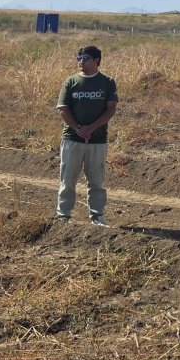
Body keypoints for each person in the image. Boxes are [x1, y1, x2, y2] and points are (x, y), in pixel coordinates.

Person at [55, 45, 119, 226]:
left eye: (85, 59)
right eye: (79, 58)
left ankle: (97, 215)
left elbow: (111, 108)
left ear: (96, 60)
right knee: (67, 181)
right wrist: (78, 128)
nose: (81, 62)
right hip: (72, 139)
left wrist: (91, 128)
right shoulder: (71, 82)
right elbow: (63, 108)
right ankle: (63, 215)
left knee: (96, 181)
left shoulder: (107, 82)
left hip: (97, 140)